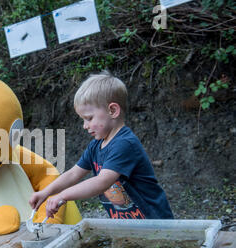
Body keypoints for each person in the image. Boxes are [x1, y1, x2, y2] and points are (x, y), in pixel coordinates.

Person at [29, 71, 174, 220]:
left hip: (155, 223)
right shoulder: (95, 147)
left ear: (113, 110)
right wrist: (45, 193)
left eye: (89, 118)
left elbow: (101, 182)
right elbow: (73, 174)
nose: (85, 126)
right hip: (128, 226)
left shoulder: (125, 144)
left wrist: (63, 196)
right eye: (83, 120)